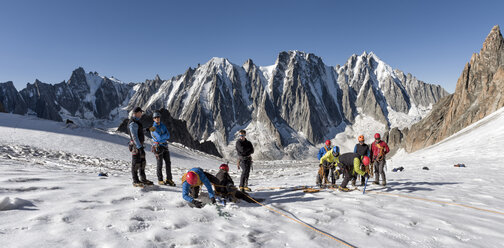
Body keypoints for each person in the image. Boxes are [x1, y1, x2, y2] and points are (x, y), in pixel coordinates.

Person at [128, 107, 153, 187]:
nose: (141, 114)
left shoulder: (136, 122)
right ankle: (135, 181)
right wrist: (139, 148)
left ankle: (143, 179)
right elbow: (134, 136)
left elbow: (139, 131)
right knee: (135, 164)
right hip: (136, 147)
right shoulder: (133, 123)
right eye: (140, 112)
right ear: (136, 113)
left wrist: (147, 129)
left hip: (139, 146)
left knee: (142, 162)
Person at [149, 111, 175, 186]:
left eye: (158, 117)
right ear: (153, 119)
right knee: (159, 163)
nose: (157, 118)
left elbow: (168, 135)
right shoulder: (152, 128)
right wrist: (164, 136)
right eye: (155, 117)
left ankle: (169, 179)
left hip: (164, 146)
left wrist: (162, 137)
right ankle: (160, 179)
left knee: (168, 163)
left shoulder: (163, 125)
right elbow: (160, 137)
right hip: (158, 147)